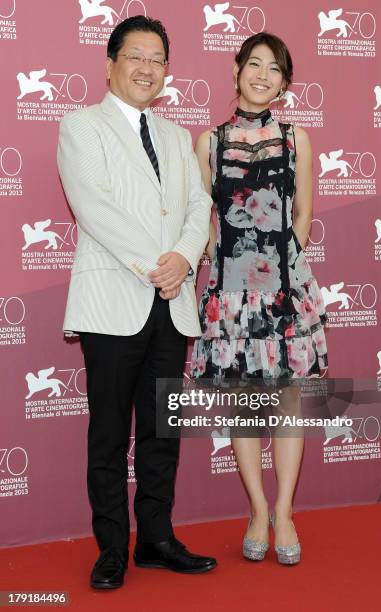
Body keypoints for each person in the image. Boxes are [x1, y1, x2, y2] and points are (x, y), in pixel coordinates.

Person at [57, 16, 216, 589]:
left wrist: (183, 257)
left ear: (167, 70)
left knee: (160, 431)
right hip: (114, 300)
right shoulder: (82, 126)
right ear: (111, 64)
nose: (148, 68)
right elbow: (95, 209)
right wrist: (160, 266)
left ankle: (155, 538)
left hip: (171, 305)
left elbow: (200, 205)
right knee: (109, 434)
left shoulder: (176, 135)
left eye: (158, 59)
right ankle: (110, 548)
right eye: (136, 57)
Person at [190, 32, 328, 565]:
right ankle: (256, 511)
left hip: (286, 290)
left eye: (275, 69)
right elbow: (198, 218)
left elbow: (304, 219)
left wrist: (281, 273)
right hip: (231, 292)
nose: (263, 75)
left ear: (285, 84)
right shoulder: (211, 142)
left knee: (288, 403)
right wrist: (221, 267)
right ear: (236, 71)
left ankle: (286, 513)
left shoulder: (297, 139)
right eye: (254, 64)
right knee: (247, 407)